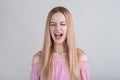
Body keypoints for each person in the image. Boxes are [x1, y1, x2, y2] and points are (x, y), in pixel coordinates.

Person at [30, 6, 90, 80]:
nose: (57, 28)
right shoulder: (38, 59)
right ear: (48, 28)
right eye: (53, 24)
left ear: (69, 27)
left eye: (62, 24)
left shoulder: (80, 58)